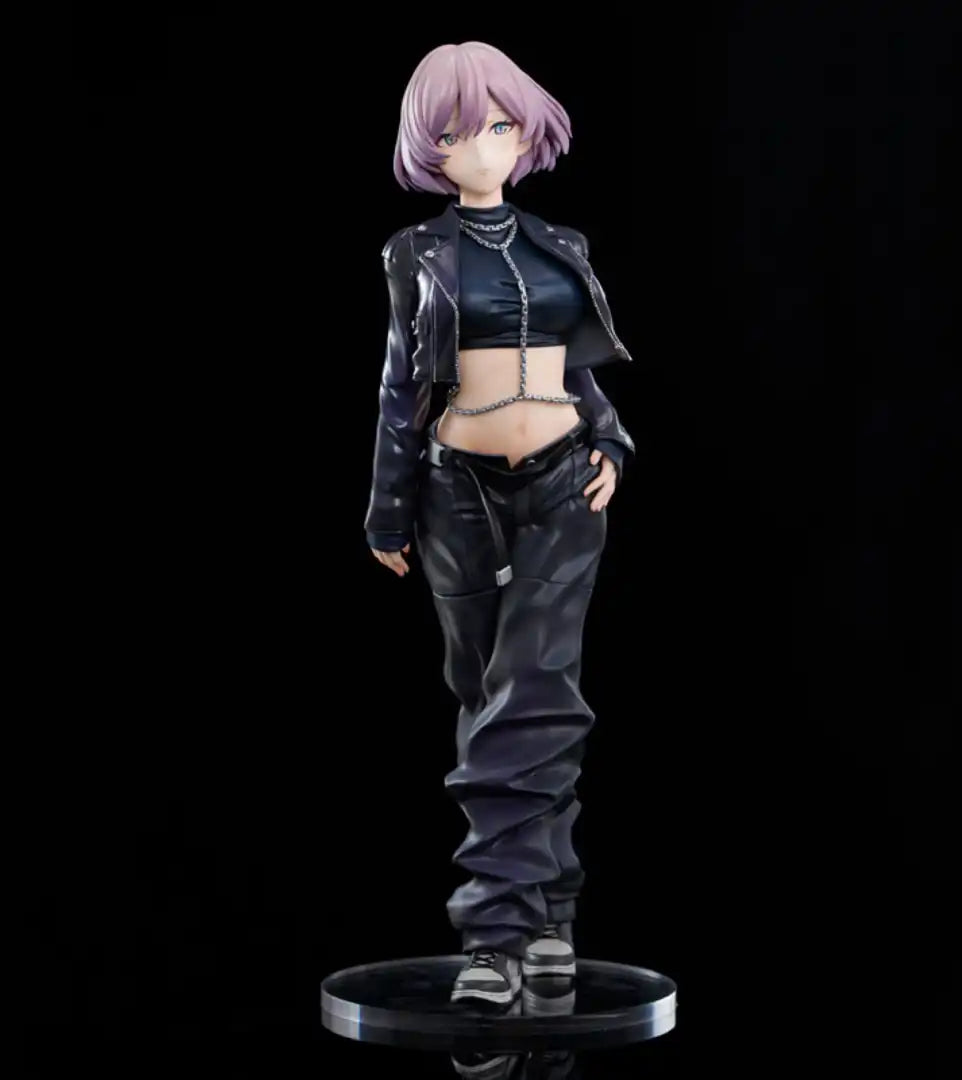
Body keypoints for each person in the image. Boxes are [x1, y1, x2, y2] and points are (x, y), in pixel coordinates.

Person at [364, 41, 636, 1008]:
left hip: (564, 482)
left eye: (498, 124)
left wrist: (614, 444)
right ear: (430, 148)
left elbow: (580, 366)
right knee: (490, 693)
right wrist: (386, 510)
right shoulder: (415, 252)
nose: (481, 145)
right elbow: (401, 386)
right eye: (455, 131)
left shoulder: (563, 244)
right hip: (456, 494)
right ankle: (551, 911)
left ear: (525, 133)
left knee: (535, 687)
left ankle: (494, 933)